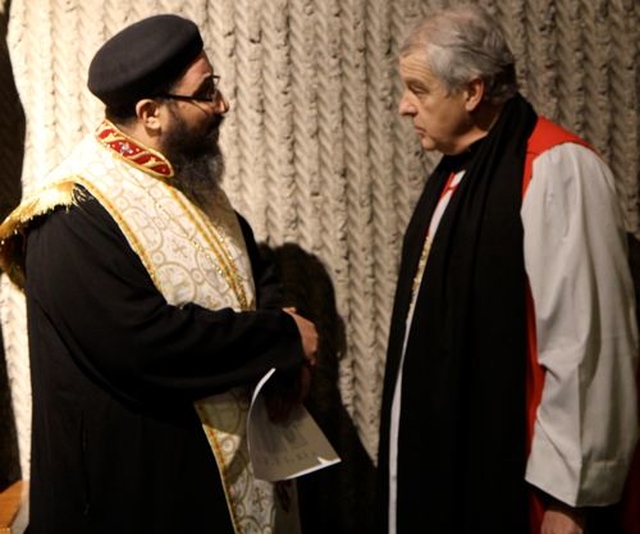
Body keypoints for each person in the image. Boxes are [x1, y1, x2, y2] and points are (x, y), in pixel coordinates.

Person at [0, 13, 318, 534]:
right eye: (206, 92)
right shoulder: (72, 212)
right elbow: (142, 344)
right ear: (151, 113)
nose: (223, 104)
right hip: (137, 494)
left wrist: (281, 326)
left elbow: (250, 265)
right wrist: (279, 338)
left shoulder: (184, 174)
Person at [376, 4, 639, 534]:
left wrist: (569, 502)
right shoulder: (455, 178)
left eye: (419, 90)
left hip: (530, 493)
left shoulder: (557, 168)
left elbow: (585, 345)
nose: (405, 107)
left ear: (472, 92)